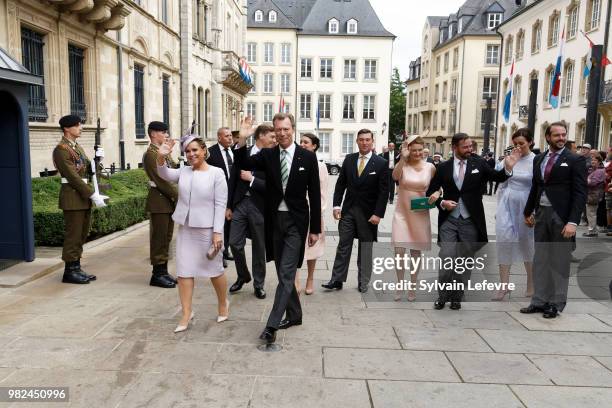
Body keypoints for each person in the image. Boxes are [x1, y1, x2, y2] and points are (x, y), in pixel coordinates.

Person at [234, 113, 321, 344]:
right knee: (284, 269)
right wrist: (243, 139)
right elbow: (242, 164)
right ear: (274, 130)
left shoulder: (307, 157)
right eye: (278, 130)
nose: (282, 133)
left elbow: (314, 194)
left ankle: (272, 325)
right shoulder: (268, 154)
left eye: (286, 129)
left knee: (286, 273)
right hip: (274, 222)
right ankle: (295, 315)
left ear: (293, 128)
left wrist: (316, 229)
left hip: (296, 222)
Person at [426, 133, 519, 310]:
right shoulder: (443, 167)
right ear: (454, 148)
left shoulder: (479, 163)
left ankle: (457, 297)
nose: (470, 150)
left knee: (464, 260)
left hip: (471, 220)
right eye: (466, 147)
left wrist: (508, 169)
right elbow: (431, 190)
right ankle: (442, 295)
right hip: (449, 220)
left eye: (471, 146)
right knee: (446, 257)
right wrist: (442, 202)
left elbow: (496, 177)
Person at [157, 135, 229, 332]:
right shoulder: (184, 171)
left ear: (204, 151)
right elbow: (163, 173)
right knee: (184, 272)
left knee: (215, 271)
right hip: (186, 229)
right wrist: (161, 156)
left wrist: (217, 233)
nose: (191, 154)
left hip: (208, 230)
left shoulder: (217, 173)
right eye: (187, 151)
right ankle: (187, 312)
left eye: (195, 150)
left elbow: (220, 204)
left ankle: (223, 303)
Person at [522, 122, 587, 318]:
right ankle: (539, 301)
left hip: (562, 217)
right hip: (541, 214)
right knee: (540, 259)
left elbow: (580, 193)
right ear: (548, 137)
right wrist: (528, 211)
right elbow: (536, 186)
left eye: (563, 134)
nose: (561, 138)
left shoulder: (575, 160)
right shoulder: (539, 158)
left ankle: (555, 303)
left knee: (559, 262)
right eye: (556, 135)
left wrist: (573, 222)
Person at [322, 129, 389, 293]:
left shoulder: (380, 163)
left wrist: (378, 214)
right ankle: (336, 279)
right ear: (357, 141)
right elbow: (340, 184)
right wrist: (336, 205)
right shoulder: (350, 159)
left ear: (372, 142)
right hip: (348, 211)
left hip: (369, 214)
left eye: (367, 140)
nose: (364, 142)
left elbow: (384, 192)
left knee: (365, 248)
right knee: (343, 245)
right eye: (361, 140)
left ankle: (363, 282)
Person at [53, 114, 107, 284]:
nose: (81, 128)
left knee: (82, 234)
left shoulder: (77, 147)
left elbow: (89, 171)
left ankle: (76, 267)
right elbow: (73, 177)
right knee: (73, 235)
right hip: (72, 198)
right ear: (67, 128)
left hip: (82, 197)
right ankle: (69, 271)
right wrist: (92, 194)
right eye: (77, 125)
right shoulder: (61, 149)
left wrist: (97, 160)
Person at [227, 124, 275, 299]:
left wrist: (252, 179)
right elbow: (232, 179)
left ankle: (258, 284)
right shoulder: (243, 152)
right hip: (240, 204)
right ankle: (243, 275)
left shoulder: (273, 156)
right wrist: (229, 206)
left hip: (260, 206)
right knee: (234, 243)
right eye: (272, 136)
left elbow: (274, 187)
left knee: (259, 248)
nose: (274, 140)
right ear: (261, 136)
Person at [391, 135, 439, 301]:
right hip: (402, 211)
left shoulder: (430, 167)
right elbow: (395, 177)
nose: (417, 153)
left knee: (415, 251)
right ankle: (399, 284)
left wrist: (437, 193)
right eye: (414, 150)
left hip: (419, 211)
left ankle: (412, 285)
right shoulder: (403, 165)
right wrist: (402, 159)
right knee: (399, 250)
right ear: (408, 150)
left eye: (420, 150)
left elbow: (439, 185)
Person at [492, 128, 536, 301]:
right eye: (515, 143)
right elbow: (500, 183)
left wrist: (534, 211)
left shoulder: (536, 161)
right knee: (504, 240)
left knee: (527, 243)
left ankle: (531, 283)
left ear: (530, 142)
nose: (518, 147)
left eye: (522, 144)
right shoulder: (508, 159)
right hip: (507, 201)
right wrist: (498, 208)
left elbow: (538, 186)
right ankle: (504, 286)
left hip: (526, 203)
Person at [142, 121, 179, 289]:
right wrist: (179, 196)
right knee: (159, 238)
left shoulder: (162, 152)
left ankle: (163, 271)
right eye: (163, 132)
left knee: (166, 237)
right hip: (159, 200)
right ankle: (157, 274)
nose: (166, 135)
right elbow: (161, 180)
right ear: (153, 134)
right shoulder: (151, 154)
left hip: (166, 201)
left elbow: (171, 171)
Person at [295, 133, 328, 295]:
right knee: (294, 246)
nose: (302, 144)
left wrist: (316, 212)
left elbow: (322, 193)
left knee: (312, 248)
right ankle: (295, 279)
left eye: (306, 142)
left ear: (314, 145)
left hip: (313, 213)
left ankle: (310, 278)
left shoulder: (321, 166)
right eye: (300, 141)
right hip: (297, 211)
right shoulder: (296, 161)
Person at [207, 127, 235, 267]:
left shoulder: (234, 151)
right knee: (219, 224)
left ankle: (226, 250)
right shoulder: (211, 153)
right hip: (217, 195)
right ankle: (219, 254)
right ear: (219, 138)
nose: (230, 138)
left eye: (230, 135)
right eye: (226, 136)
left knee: (229, 224)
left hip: (232, 194)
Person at [583, 152, 606, 237]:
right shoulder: (594, 169)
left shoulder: (599, 171)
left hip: (594, 194)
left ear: (599, 161)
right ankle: (593, 230)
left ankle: (592, 231)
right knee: (591, 212)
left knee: (591, 213)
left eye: (594, 160)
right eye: (592, 159)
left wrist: (586, 181)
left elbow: (593, 182)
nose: (592, 161)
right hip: (592, 193)